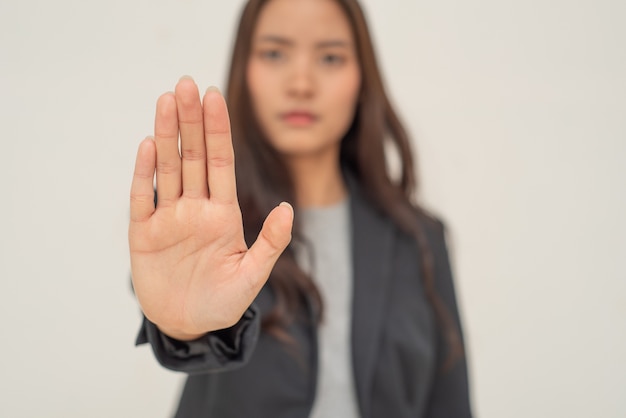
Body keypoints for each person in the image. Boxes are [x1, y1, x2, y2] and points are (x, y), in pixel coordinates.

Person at [129, 0, 472, 416]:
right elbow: (188, 323)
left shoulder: (420, 239)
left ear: (362, 77)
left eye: (330, 57)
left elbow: (450, 404)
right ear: (245, 70)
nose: (302, 82)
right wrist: (181, 328)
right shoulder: (205, 228)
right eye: (274, 53)